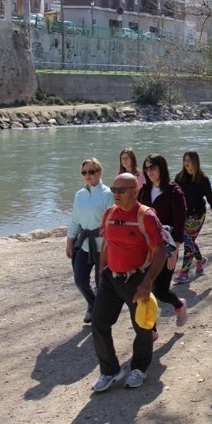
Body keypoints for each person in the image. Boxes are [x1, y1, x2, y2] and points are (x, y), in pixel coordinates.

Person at [90, 172, 169, 392]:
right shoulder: (109, 214)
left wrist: (147, 282)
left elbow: (160, 251)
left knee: (143, 327)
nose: (116, 194)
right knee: (99, 323)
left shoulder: (146, 216)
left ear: (134, 192)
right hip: (111, 278)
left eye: (121, 190)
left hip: (137, 278)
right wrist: (101, 272)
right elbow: (106, 245)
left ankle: (139, 368)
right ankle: (110, 370)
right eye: (114, 190)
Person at [137, 154, 189, 328]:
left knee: (161, 291)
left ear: (162, 168)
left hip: (167, 247)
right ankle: (151, 329)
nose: (149, 171)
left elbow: (180, 222)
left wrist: (175, 250)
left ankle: (179, 305)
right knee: (146, 287)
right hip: (146, 248)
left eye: (153, 168)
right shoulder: (144, 191)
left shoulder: (175, 192)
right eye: (146, 168)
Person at [66, 158, 114, 324]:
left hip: (102, 245)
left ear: (99, 172)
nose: (88, 175)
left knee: (100, 282)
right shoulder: (79, 195)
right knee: (79, 280)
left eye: (91, 172)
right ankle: (92, 303)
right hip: (84, 243)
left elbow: (112, 222)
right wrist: (69, 241)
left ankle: (98, 313)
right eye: (84, 172)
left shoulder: (108, 194)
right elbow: (75, 220)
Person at [173, 150, 212, 283]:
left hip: (198, 214)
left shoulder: (202, 179)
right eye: (185, 160)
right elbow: (173, 197)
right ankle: (201, 260)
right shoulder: (179, 178)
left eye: (190, 161)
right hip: (183, 215)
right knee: (189, 240)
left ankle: (184, 272)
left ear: (195, 162)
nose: (187, 163)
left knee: (188, 242)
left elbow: (211, 197)